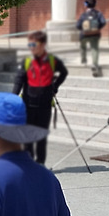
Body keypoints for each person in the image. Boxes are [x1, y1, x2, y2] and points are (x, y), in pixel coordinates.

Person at [11, 31, 68, 165]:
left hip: (45, 105)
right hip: (28, 104)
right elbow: (19, 81)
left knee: (41, 137)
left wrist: (55, 86)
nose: (31, 47)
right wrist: (13, 98)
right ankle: (29, 163)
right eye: (29, 45)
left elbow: (64, 73)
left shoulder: (53, 61)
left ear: (42, 45)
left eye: (33, 45)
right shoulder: (27, 61)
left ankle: (40, 164)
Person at [75, 0, 106, 75]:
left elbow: (78, 25)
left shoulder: (83, 15)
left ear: (86, 5)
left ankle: (84, 60)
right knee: (94, 48)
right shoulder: (98, 14)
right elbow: (103, 22)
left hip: (84, 35)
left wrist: (82, 29)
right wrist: (98, 28)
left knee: (83, 46)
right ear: (95, 4)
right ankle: (94, 63)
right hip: (95, 34)